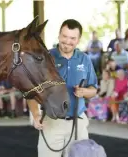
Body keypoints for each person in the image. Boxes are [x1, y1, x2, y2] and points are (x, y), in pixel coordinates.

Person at [27, 19, 98, 157]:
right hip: (52, 122)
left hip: (79, 123)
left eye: (72, 38)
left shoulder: (85, 59)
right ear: (59, 35)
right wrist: (36, 114)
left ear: (78, 40)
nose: (67, 41)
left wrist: (84, 92)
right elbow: (31, 91)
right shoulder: (46, 57)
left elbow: (93, 90)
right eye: (64, 36)